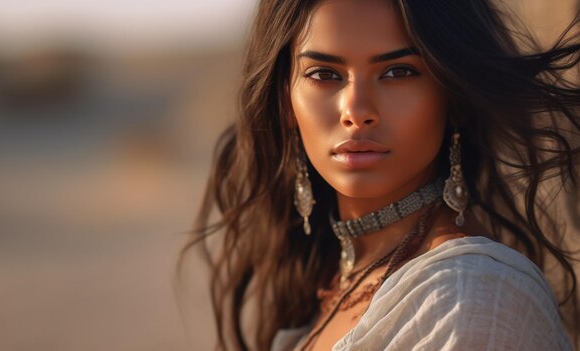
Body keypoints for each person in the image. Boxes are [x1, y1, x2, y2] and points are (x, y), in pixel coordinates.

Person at [179, 0, 580, 350]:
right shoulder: (334, 284)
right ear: (286, 102)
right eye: (323, 74)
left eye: (398, 72)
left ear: (453, 96)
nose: (356, 110)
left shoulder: (470, 300)